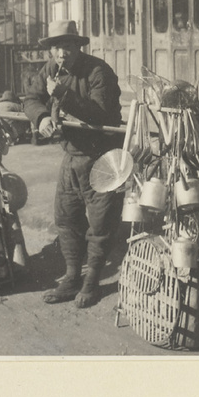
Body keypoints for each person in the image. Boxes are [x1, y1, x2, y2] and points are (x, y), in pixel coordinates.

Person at [23, 20, 124, 308]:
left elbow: (102, 114)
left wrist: (63, 95)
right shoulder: (50, 70)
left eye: (67, 46)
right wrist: (42, 117)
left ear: (77, 47)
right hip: (72, 156)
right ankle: (71, 277)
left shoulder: (97, 71)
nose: (61, 53)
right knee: (66, 219)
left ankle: (91, 281)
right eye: (56, 46)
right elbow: (30, 98)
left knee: (101, 224)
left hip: (102, 157)